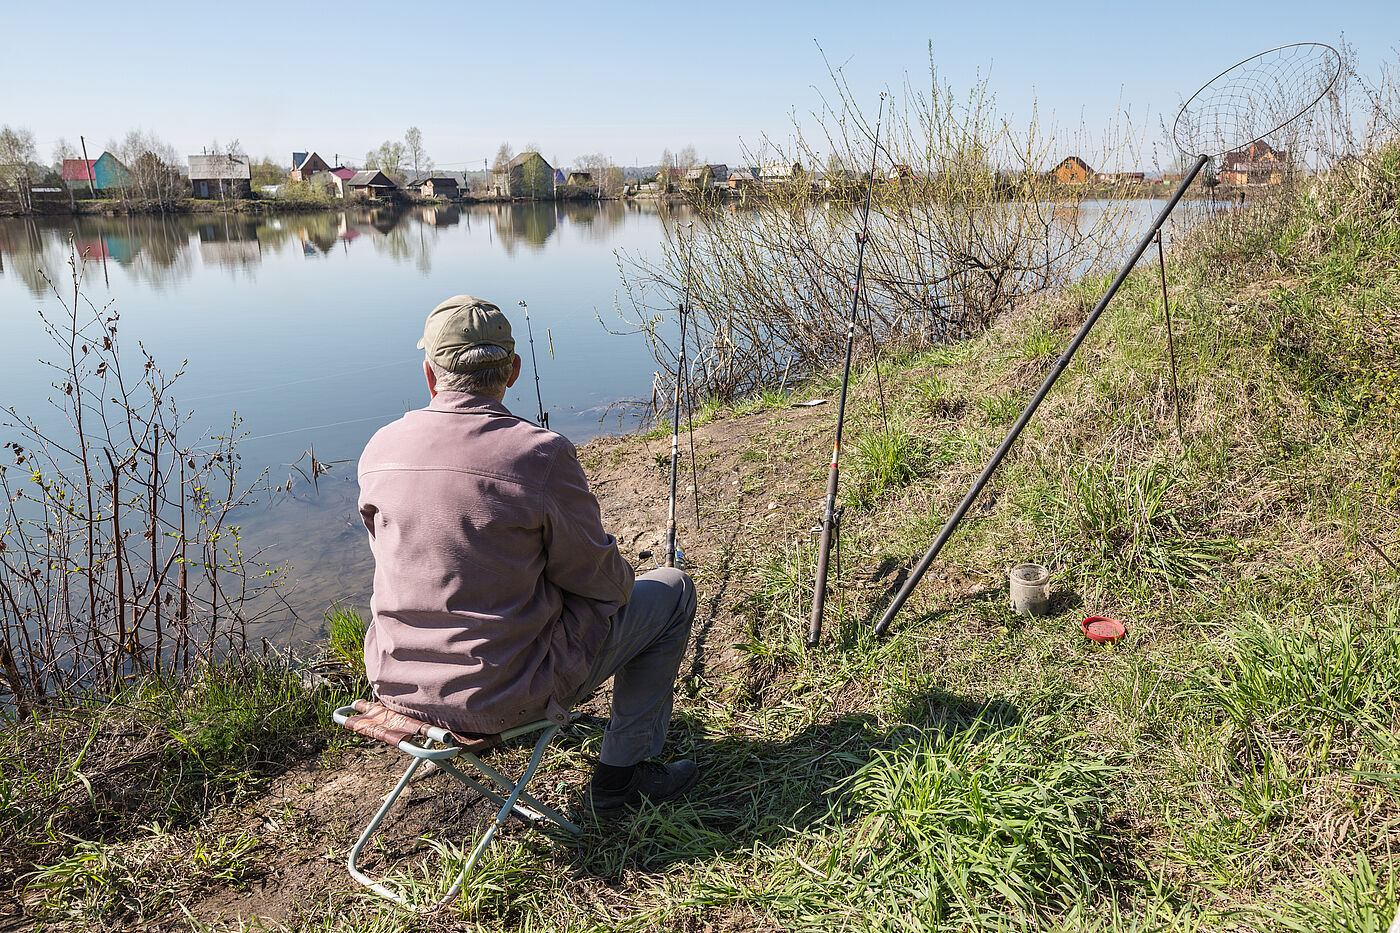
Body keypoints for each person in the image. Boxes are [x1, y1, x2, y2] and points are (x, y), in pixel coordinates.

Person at [357, 294, 699, 817]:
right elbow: (605, 585)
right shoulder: (540, 454)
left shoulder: (379, 448)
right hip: (501, 693)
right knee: (672, 590)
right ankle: (621, 781)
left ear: (430, 374)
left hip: (395, 679)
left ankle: (457, 719)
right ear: (512, 370)